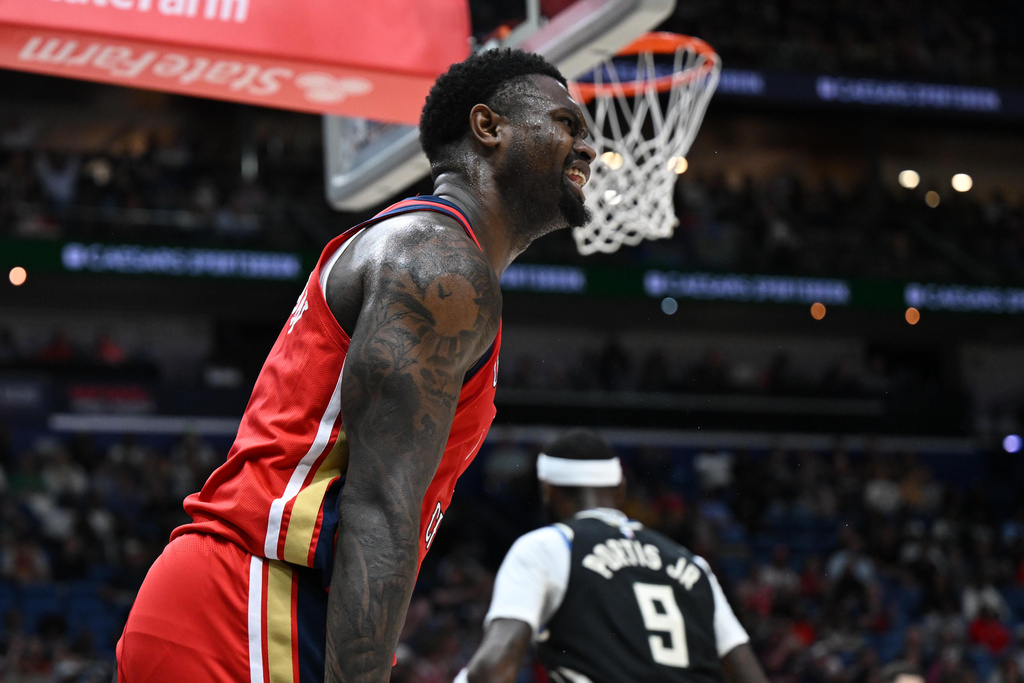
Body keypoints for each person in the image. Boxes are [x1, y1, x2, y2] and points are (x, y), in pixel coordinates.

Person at [116, 47, 596, 683]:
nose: (590, 147)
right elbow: (377, 506)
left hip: (237, 601)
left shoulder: (427, 249)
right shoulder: (439, 262)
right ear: (489, 128)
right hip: (258, 603)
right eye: (569, 124)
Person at [457, 429, 770, 683]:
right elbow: (748, 673)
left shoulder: (547, 546)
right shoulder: (693, 564)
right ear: (619, 489)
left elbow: (492, 670)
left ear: (548, 491)